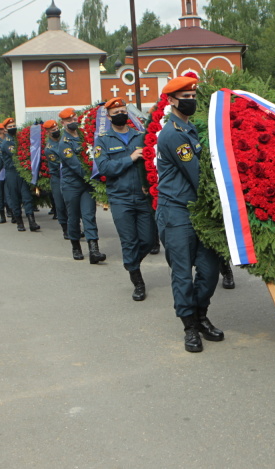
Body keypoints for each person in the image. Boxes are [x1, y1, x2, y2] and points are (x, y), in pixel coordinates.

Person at [156, 76, 223, 353]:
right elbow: (197, 175)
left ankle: (199, 313)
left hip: (199, 212)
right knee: (183, 274)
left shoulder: (190, 129)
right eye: (185, 96)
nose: (191, 100)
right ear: (171, 101)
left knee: (209, 271)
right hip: (177, 213)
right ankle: (190, 326)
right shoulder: (173, 134)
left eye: (193, 95)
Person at [94, 98, 157, 301]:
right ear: (109, 116)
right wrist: (130, 158)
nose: (121, 113)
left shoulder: (139, 136)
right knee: (129, 240)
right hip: (120, 198)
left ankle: (131, 263)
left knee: (148, 239)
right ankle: (138, 283)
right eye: (116, 111)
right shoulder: (103, 139)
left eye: (123, 110)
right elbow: (104, 168)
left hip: (142, 196)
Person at [57, 107, 105, 263]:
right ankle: (76, 246)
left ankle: (94, 250)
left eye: (74, 118)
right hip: (72, 185)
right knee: (73, 217)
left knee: (89, 215)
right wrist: (93, 177)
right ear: (63, 123)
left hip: (86, 185)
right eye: (69, 120)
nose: (73, 122)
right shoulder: (64, 143)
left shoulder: (84, 137)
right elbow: (75, 165)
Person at [0, 119, 40, 232]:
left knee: (27, 197)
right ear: (6, 129)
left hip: (21, 173)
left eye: (14, 125)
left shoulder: (18, 138)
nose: (13, 127)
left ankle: (32, 222)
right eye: (10, 126)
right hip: (12, 173)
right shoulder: (7, 142)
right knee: (15, 198)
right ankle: (20, 222)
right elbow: (16, 154)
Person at [42, 119, 69, 239]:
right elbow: (61, 162)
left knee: (70, 204)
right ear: (48, 132)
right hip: (58, 177)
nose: (56, 131)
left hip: (68, 176)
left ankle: (75, 227)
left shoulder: (64, 139)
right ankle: (65, 229)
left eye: (57, 129)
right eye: (53, 130)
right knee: (61, 204)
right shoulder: (49, 149)